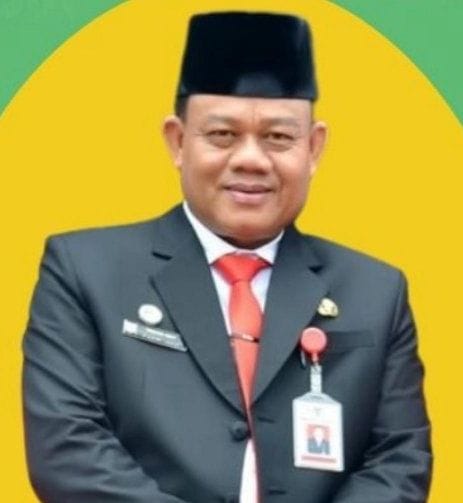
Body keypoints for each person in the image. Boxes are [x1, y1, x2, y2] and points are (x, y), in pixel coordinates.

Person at [22, 11, 432, 503]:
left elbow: (399, 461)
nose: (251, 159)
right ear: (177, 141)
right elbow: (68, 451)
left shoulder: (376, 291)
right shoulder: (85, 270)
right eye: (222, 135)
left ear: (314, 148)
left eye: (279, 138)